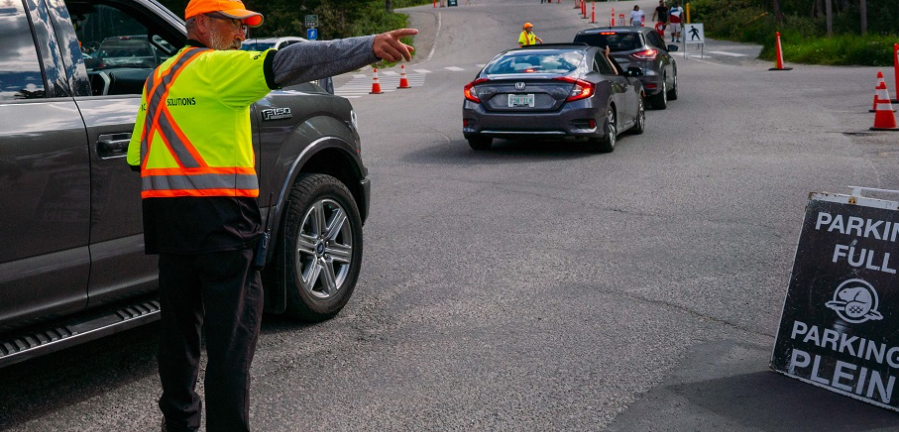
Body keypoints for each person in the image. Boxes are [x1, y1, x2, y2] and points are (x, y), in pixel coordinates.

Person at [124, 0, 416, 431]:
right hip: (225, 229)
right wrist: (368, 46)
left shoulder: (159, 78)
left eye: (246, 27)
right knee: (230, 347)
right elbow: (292, 61)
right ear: (203, 24)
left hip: (171, 231)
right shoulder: (220, 70)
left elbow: (137, 157)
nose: (243, 35)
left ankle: (179, 424)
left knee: (178, 338)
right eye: (235, 24)